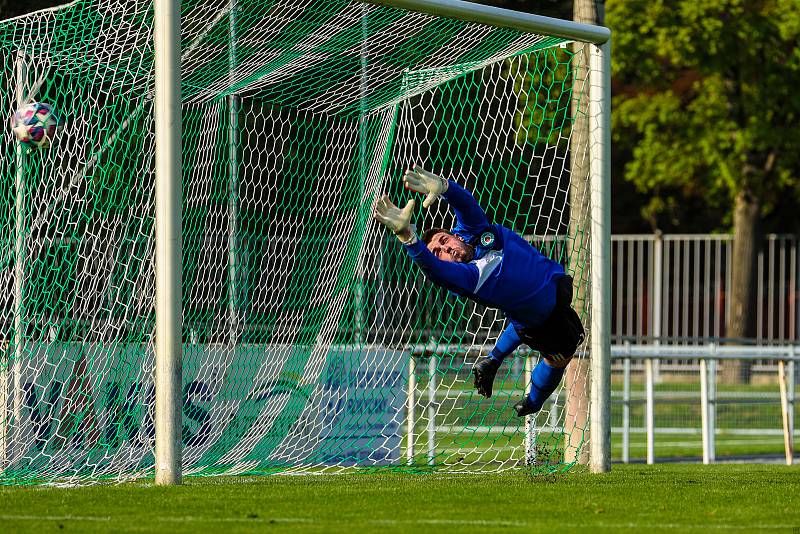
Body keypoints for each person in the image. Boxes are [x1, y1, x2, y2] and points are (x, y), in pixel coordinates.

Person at [372, 166, 585, 416]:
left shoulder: (473, 231)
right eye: (438, 253)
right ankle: (533, 401)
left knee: (524, 320)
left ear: (454, 235)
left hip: (549, 292)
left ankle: (492, 360)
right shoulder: (469, 277)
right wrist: (408, 237)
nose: (445, 249)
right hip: (546, 320)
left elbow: (466, 205)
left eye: (444, 241)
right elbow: (434, 270)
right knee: (560, 355)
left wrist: (445, 187)